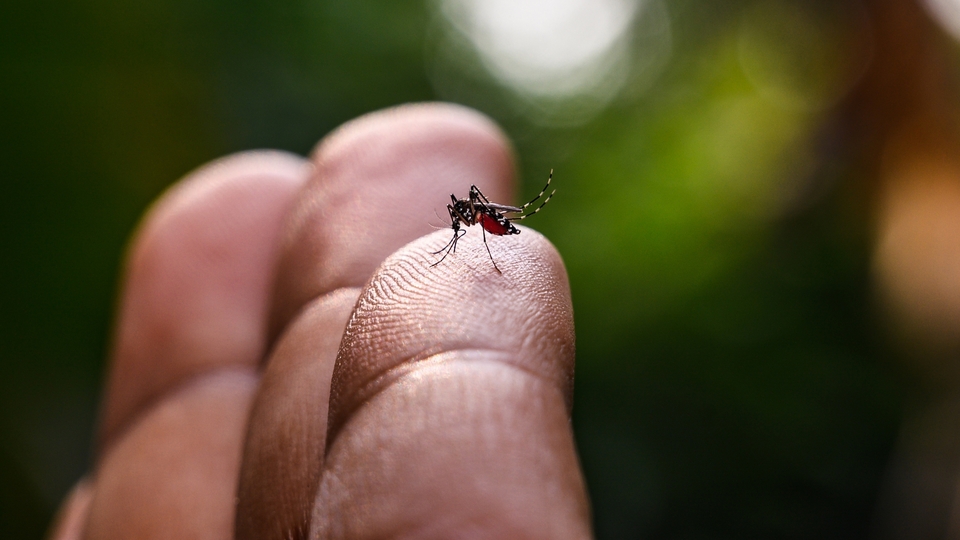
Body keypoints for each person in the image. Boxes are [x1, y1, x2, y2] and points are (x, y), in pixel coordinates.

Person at [48, 103, 593, 539]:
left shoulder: (475, 219)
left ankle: (521, 217)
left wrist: (480, 231)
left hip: (496, 238)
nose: (459, 216)